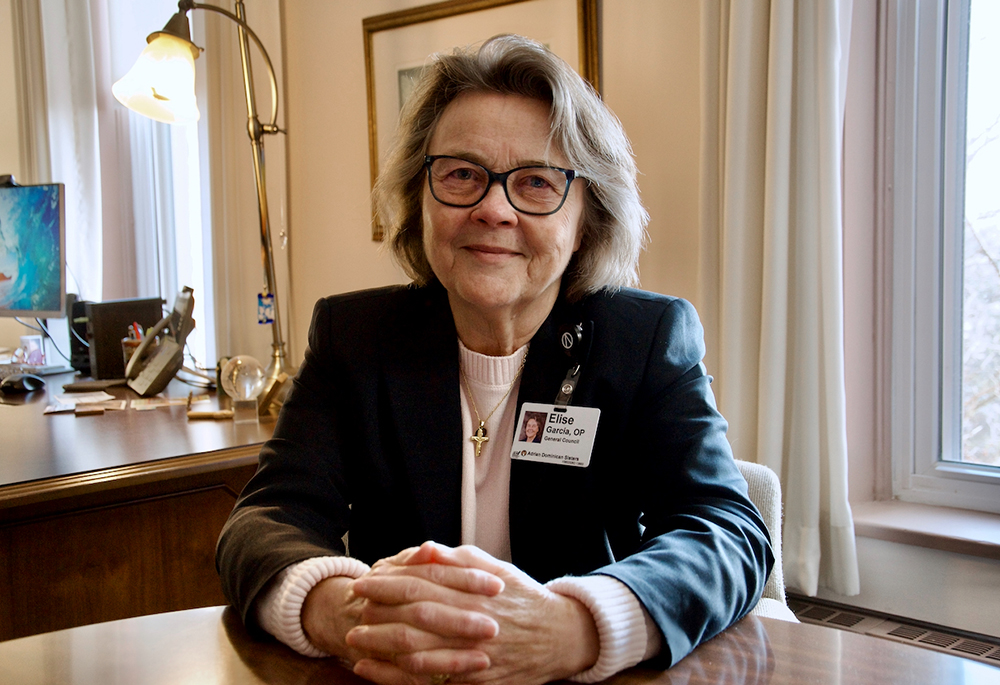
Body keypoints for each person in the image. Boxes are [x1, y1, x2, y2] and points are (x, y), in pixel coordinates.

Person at [217, 34, 772, 685]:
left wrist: (577, 625)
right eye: (461, 174)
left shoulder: (644, 339)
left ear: (585, 216)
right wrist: (339, 609)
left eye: (536, 182)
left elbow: (727, 532)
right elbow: (261, 522)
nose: (492, 208)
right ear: (421, 195)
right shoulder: (355, 335)